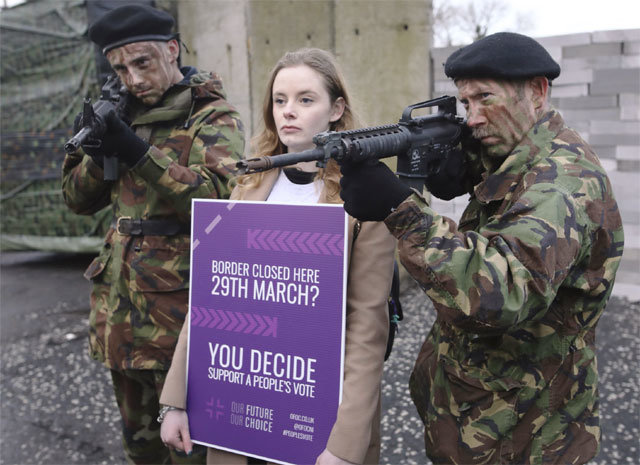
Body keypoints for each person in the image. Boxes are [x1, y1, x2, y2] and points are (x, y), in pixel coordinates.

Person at [339, 32, 624, 464]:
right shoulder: (520, 153)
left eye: (485, 98)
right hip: (485, 422)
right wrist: (454, 165)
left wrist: (401, 210)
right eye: (466, 103)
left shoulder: (560, 185)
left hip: (528, 439)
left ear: (537, 92)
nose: (472, 118)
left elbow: (498, 292)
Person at [158, 47, 396, 465]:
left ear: (337, 108)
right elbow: (213, 301)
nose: (289, 111)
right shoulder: (248, 183)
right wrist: (176, 400)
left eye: (306, 100)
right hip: (240, 410)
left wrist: (345, 446)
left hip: (321, 413)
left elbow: (366, 325)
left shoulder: (366, 194)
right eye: (280, 100)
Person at [61, 4, 245, 464]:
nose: (133, 78)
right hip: (121, 317)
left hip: (178, 323)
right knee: (139, 450)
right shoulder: (118, 110)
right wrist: (100, 156)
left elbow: (219, 201)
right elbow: (76, 201)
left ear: (172, 50)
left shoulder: (210, 115)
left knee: (192, 450)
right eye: (120, 67)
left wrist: (137, 151)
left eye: (142, 62)